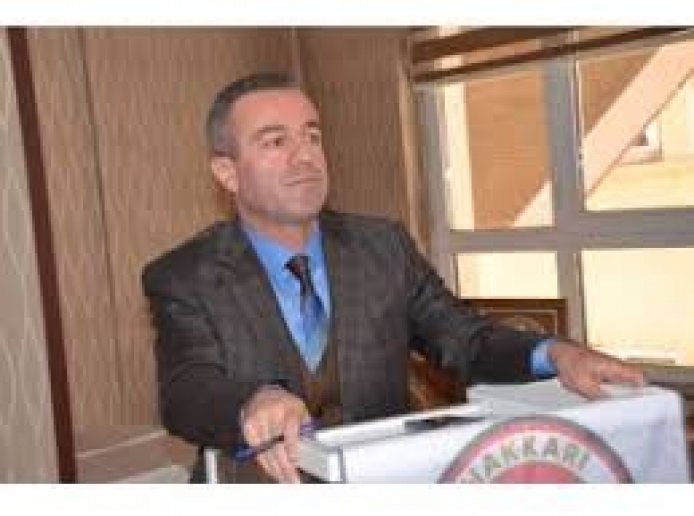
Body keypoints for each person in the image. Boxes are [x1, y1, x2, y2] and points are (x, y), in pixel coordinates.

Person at [141, 71, 645, 483]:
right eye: (275, 141)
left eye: (312, 135)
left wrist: (555, 354)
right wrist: (252, 401)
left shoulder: (384, 246)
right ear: (227, 173)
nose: (305, 155)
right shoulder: (183, 275)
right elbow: (187, 389)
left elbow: (465, 340)